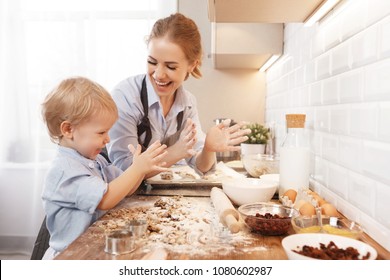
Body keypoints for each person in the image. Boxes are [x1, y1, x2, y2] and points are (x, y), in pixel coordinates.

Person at [40, 77, 168, 259]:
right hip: (72, 257)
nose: (107, 139)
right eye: (101, 132)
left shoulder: (96, 160)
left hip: (96, 251)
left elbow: (126, 189)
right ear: (68, 130)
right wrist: (137, 169)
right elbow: (106, 199)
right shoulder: (64, 172)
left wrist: (140, 168)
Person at [108, 13, 250, 176]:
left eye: (170, 66)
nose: (159, 74)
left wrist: (208, 149)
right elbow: (125, 169)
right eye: (152, 62)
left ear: (192, 65)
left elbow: (201, 166)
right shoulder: (126, 96)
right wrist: (176, 151)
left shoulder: (187, 103)